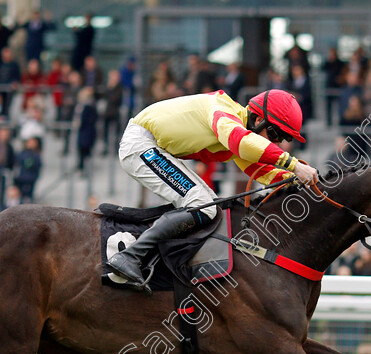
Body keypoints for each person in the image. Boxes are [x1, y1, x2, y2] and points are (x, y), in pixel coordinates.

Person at [106, 89, 318, 291]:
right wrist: (294, 164)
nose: (276, 142)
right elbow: (243, 143)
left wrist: (295, 181)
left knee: (210, 206)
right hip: (140, 144)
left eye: (281, 139)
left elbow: (261, 171)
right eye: (274, 134)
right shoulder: (225, 116)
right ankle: (130, 256)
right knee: (203, 205)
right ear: (257, 119)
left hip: (150, 145)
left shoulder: (235, 129)